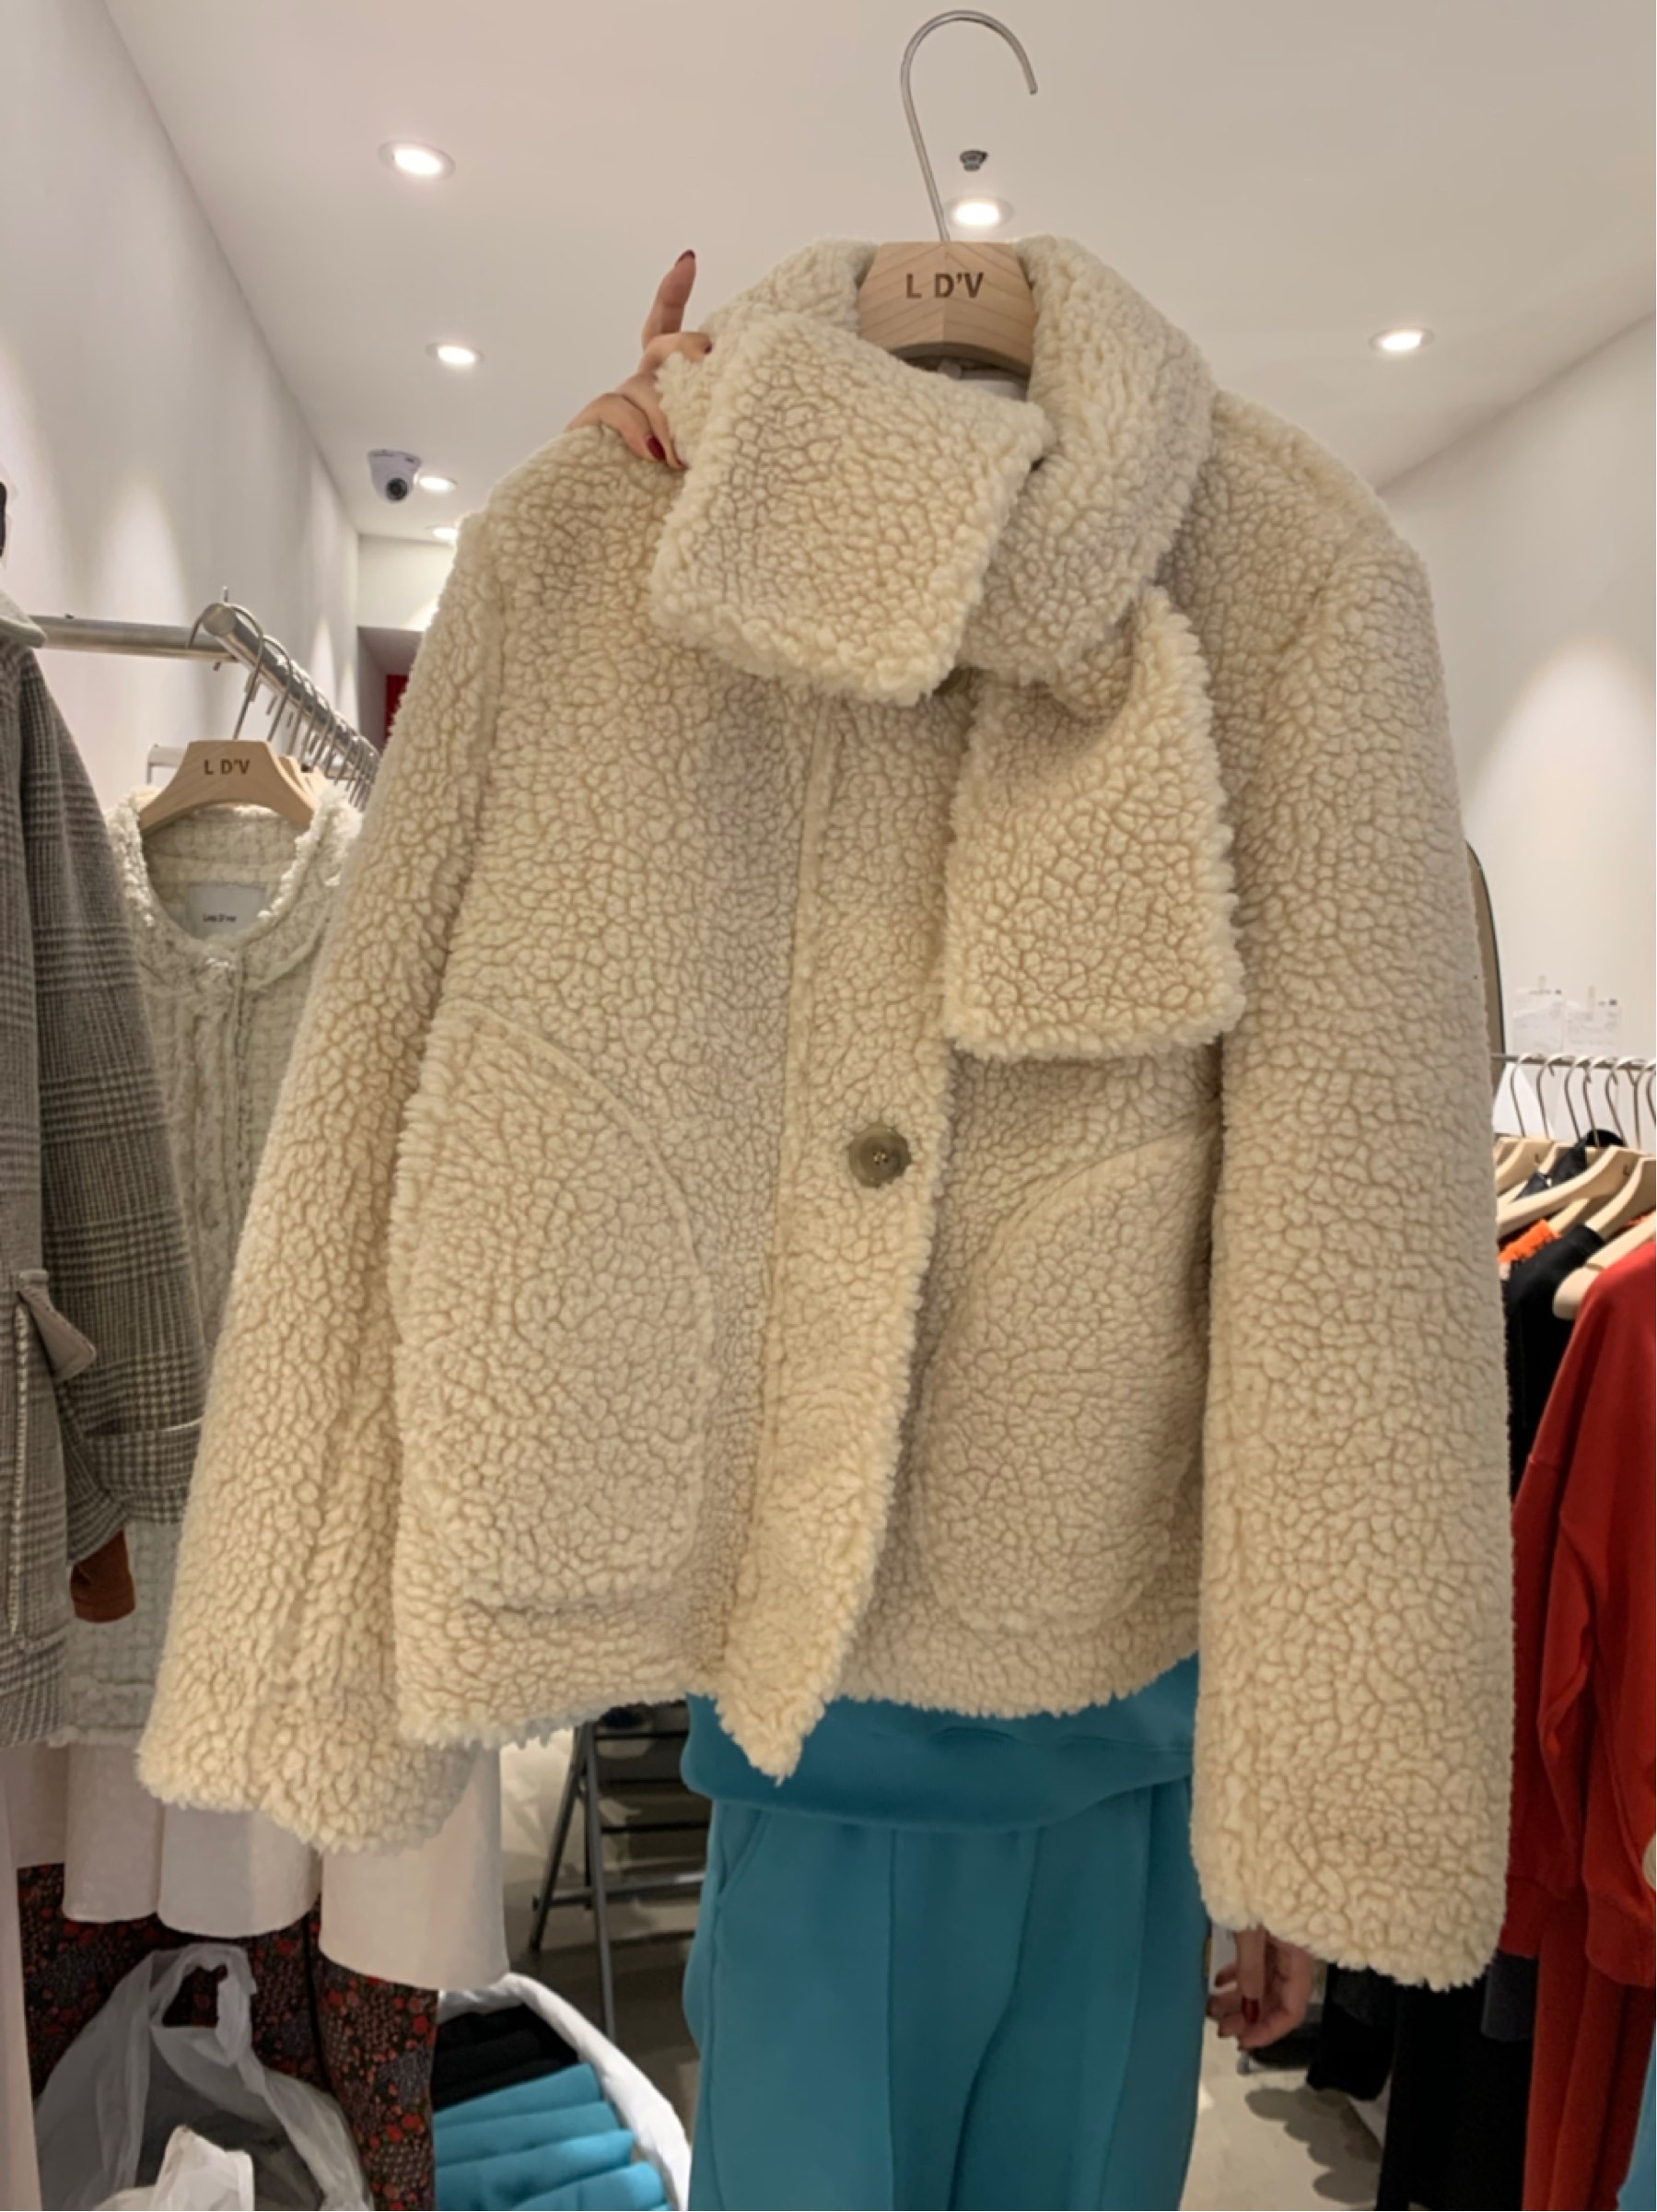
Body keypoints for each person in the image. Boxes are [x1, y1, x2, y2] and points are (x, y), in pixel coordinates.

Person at [567, 253, 1314, 2212]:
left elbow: (1293, 1281)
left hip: (1133, 1730)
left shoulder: (1241, 623)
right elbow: (617, 1058)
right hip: (837, 1726)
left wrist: (1285, 1811)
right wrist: (623, 552)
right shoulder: (738, 625)